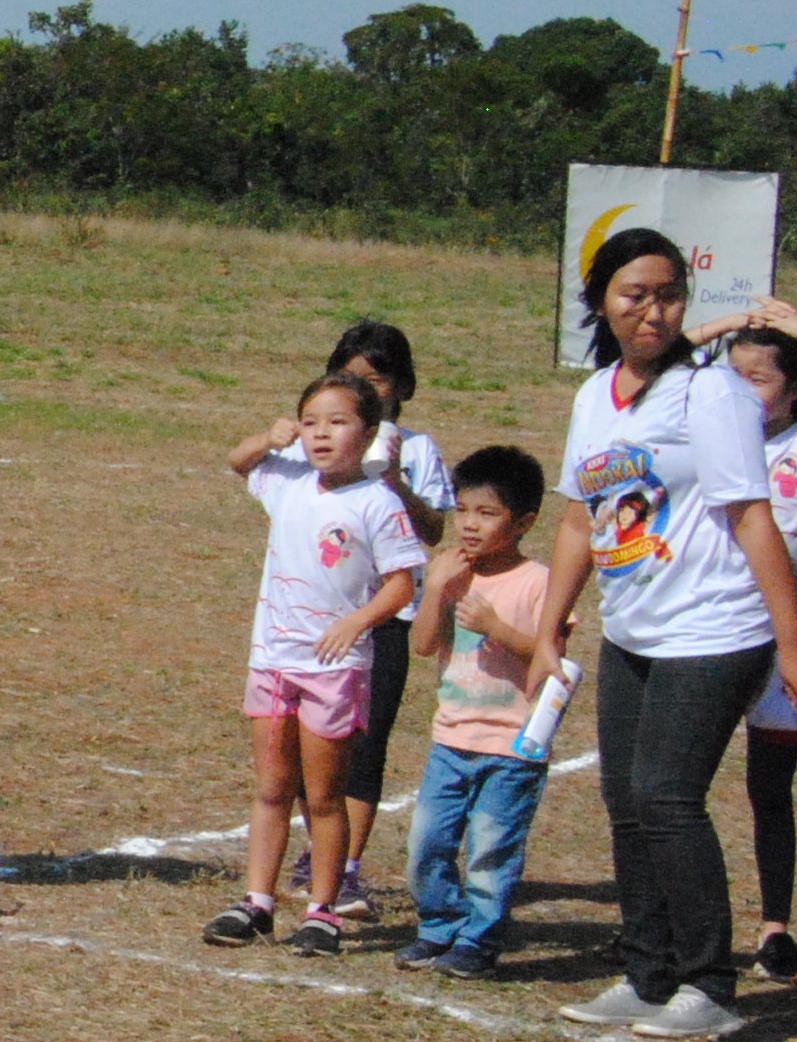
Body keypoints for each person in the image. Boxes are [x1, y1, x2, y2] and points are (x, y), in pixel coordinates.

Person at [531, 230, 797, 1041]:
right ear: (600, 301)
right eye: (633, 294)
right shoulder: (594, 397)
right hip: (634, 629)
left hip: (718, 627)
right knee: (624, 798)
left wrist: (791, 645)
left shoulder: (709, 394)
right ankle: (646, 974)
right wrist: (549, 627)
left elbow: (753, 519)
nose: (652, 310)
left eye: (668, 294)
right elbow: (580, 518)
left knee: (665, 795)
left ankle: (707, 984)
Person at [203, 374, 425, 956]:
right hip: (274, 661)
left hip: (335, 669)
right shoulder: (288, 481)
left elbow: (403, 583)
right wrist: (265, 438)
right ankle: (258, 901)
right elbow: (237, 461)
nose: (321, 434)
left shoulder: (378, 502)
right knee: (273, 785)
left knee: (324, 795)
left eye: (338, 422)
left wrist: (357, 622)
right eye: (309, 422)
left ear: (371, 433)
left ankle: (323, 911)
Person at [311, 321, 453, 918]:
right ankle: (313, 854)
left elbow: (436, 530)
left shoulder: (415, 451)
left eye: (378, 380)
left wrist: (396, 483)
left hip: (388, 620)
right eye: (351, 377)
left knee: (367, 745)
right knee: (314, 743)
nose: (365, 389)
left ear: (402, 388)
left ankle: (343, 870)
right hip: (319, 615)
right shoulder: (318, 442)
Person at [398, 445, 553, 980]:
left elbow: (551, 657)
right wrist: (436, 589)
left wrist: (496, 628)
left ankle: (479, 941)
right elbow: (422, 645)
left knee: (491, 851)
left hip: (511, 745)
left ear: (524, 521)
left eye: (487, 514)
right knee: (427, 844)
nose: (469, 525)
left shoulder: (538, 581)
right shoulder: (451, 574)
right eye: (463, 510)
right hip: (450, 739)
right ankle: (438, 926)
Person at [720, 319, 797, 979]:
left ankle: (778, 926)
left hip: (790, 641)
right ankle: (767, 925)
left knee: (773, 787)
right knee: (758, 788)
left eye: (757, 380)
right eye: (732, 377)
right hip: (734, 640)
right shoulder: (720, 444)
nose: (740, 394)